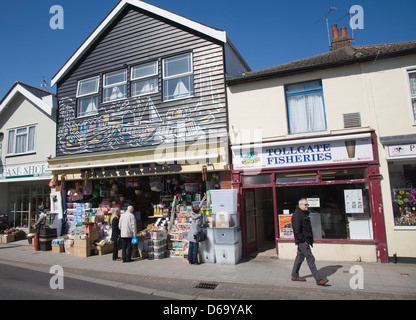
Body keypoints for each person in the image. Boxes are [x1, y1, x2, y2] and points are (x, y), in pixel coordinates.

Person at [291, 198, 329, 286]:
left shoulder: (304, 213)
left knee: (299, 257)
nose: (307, 206)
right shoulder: (297, 215)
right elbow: (296, 230)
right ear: (300, 205)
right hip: (303, 241)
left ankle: (294, 275)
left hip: (305, 240)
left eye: (307, 204)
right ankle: (318, 279)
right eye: (305, 205)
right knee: (310, 258)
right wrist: (302, 240)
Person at [186, 195, 206, 265]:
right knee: (196, 247)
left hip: (191, 232)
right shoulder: (200, 217)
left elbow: (198, 207)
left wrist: (203, 199)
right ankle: (195, 261)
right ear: (199, 211)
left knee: (191, 246)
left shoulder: (193, 213)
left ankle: (190, 260)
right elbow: (202, 224)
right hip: (196, 233)